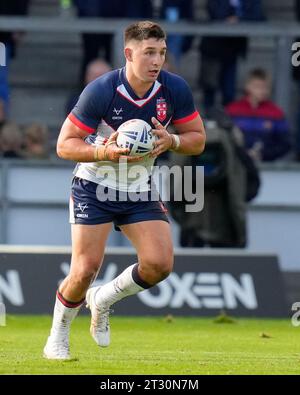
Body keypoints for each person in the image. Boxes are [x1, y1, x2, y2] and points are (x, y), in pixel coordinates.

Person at [43, 20, 206, 360]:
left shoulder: (174, 89)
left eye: (161, 53)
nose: (156, 61)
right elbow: (64, 145)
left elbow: (198, 139)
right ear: (129, 53)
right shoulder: (102, 90)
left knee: (159, 264)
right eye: (149, 53)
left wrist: (172, 139)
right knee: (85, 270)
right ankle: (58, 334)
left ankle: (102, 300)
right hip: (94, 184)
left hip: (138, 187)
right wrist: (105, 151)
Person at [199, 0, 265, 112]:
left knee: (229, 93)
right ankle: (207, 122)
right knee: (210, 90)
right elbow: (215, 12)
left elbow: (259, 16)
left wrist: (239, 18)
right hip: (212, 49)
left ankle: (227, 124)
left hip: (233, 51)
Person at [226, 68, 291, 161]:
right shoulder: (232, 110)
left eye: (266, 87)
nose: (262, 91)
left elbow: (285, 144)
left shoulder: (276, 113)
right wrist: (242, 154)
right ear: (247, 86)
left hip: (267, 168)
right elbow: (226, 140)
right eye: (258, 86)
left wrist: (263, 154)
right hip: (237, 166)